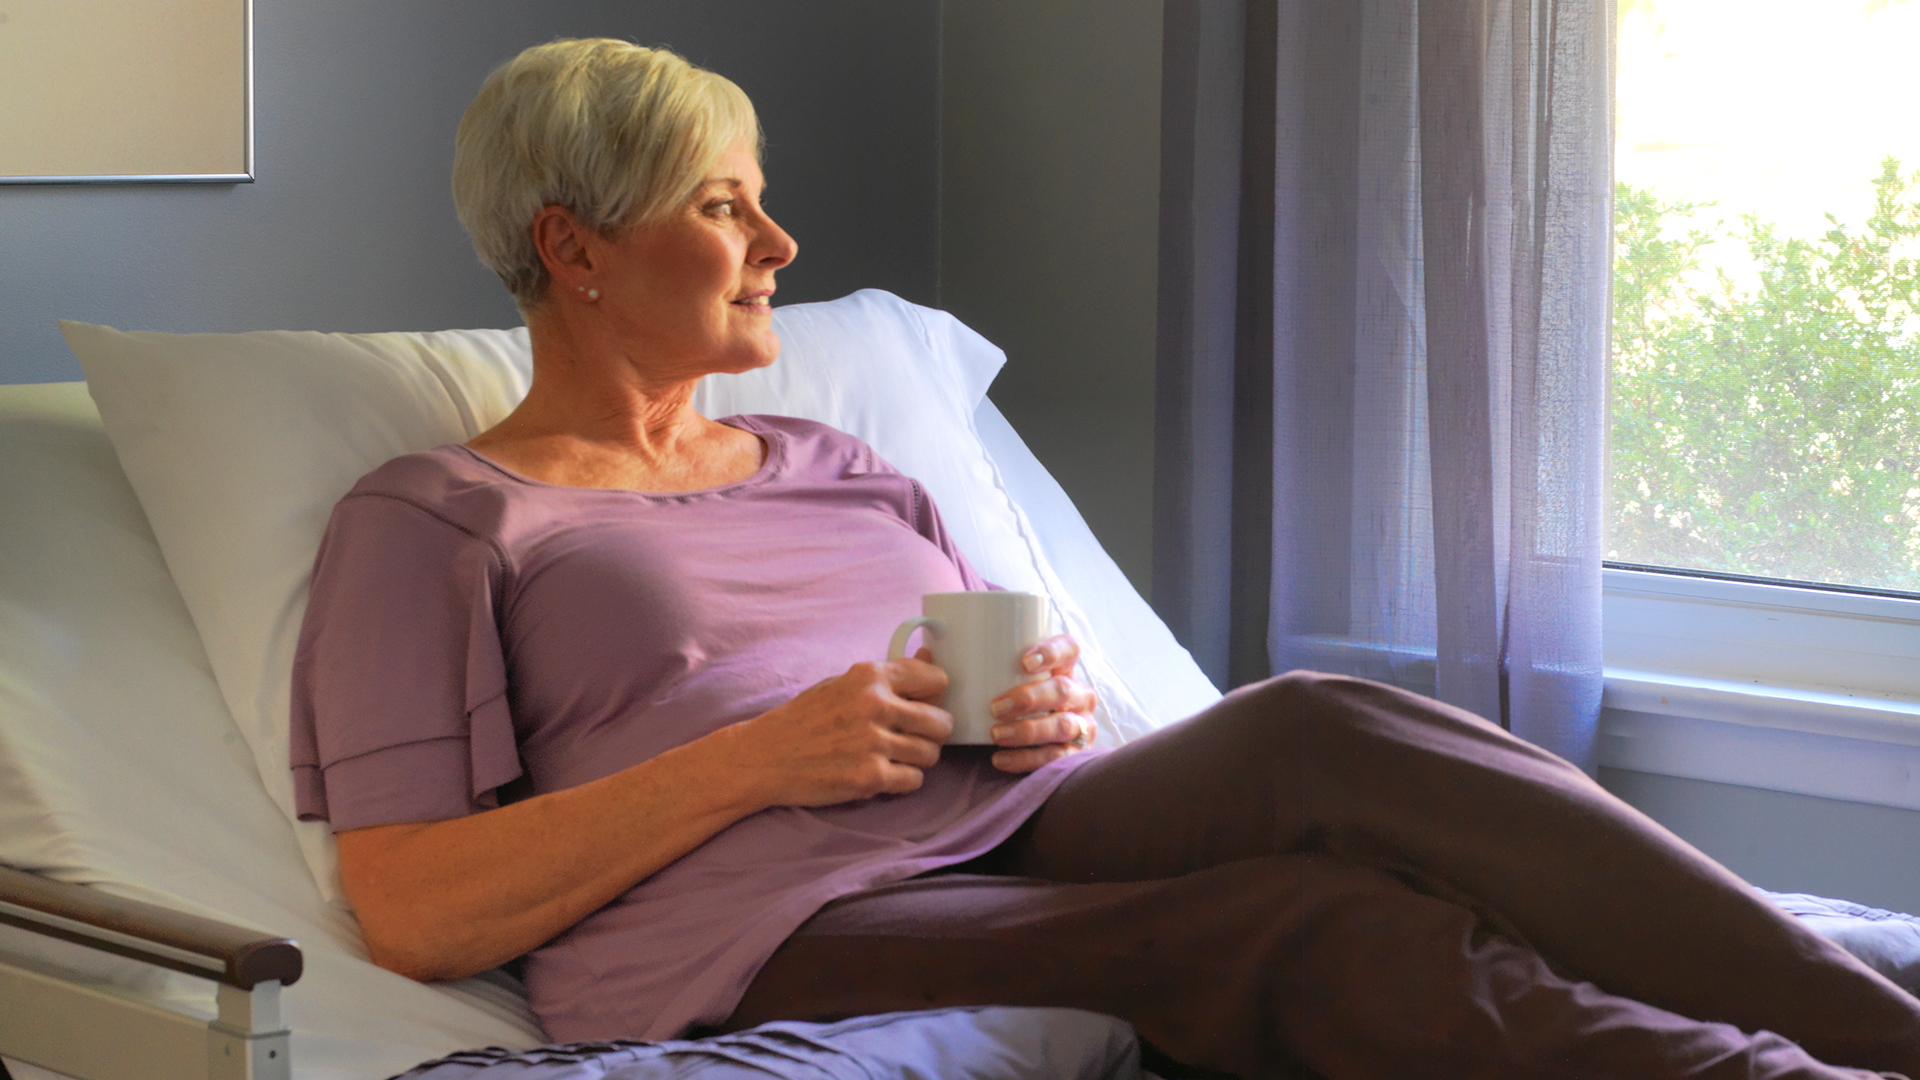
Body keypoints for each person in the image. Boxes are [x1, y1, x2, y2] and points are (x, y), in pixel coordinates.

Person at [289, 38, 1920, 1080]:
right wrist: (763, 760)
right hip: (758, 922)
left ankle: (1884, 1036)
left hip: (1007, 817)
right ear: (572, 245)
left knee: (1323, 730)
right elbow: (413, 907)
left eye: (763, 202)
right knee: (1293, 924)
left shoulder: (833, 463)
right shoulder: (442, 518)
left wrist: (1028, 708)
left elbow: (975, 679)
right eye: (724, 208)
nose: (779, 246)